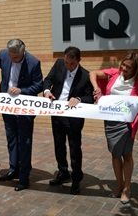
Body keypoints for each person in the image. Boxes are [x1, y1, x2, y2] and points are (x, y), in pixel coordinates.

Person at [0, 39, 43, 191]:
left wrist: (21, 90)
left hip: (25, 108)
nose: (12, 59)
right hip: (7, 105)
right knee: (11, 138)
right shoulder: (4, 55)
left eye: (16, 57)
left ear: (23, 52)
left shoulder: (33, 62)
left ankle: (24, 177)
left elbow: (38, 85)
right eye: (11, 56)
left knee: (25, 141)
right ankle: (13, 169)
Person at [89, 51, 138, 204]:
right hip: (110, 121)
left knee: (127, 155)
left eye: (128, 67)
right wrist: (97, 88)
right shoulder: (114, 74)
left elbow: (137, 101)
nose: (124, 68)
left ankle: (127, 187)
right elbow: (93, 73)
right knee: (115, 154)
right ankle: (119, 184)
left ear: (135, 70)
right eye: (123, 64)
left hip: (126, 124)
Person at [43, 46, 93, 195]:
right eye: (66, 62)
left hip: (73, 118)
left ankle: (76, 178)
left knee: (75, 148)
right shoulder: (59, 64)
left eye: (71, 64)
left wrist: (78, 99)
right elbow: (47, 80)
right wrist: (47, 91)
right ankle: (63, 172)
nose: (68, 66)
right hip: (57, 113)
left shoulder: (85, 75)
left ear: (78, 61)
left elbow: (90, 97)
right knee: (59, 145)